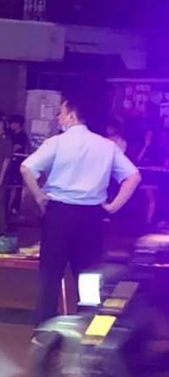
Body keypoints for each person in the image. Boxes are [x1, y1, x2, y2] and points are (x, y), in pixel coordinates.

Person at [21, 94, 141, 328]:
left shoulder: (56, 143)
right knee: (89, 275)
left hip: (59, 213)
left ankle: (44, 329)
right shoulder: (107, 146)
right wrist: (113, 206)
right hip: (92, 216)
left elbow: (26, 168)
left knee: (50, 274)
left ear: (71, 116)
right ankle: (89, 326)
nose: (58, 117)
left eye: (61, 112)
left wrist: (39, 196)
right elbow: (133, 177)